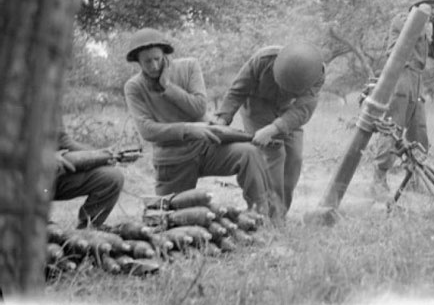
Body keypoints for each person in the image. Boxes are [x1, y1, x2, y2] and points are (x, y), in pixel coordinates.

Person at [123, 28, 275, 217]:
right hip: (172, 159)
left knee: (249, 153)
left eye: (157, 59)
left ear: (165, 55)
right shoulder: (134, 87)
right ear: (138, 62)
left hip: (207, 149)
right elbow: (147, 131)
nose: (154, 66)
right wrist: (189, 129)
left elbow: (198, 108)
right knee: (170, 217)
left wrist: (168, 87)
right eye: (147, 62)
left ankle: (260, 216)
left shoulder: (189, 67)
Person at [212, 43, 325, 217]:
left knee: (294, 158)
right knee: (272, 157)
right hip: (258, 107)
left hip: (288, 112)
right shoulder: (262, 60)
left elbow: (303, 109)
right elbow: (237, 91)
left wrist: (274, 128)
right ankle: (268, 218)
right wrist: (222, 120)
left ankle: (280, 212)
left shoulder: (315, 73)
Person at [370, 0, 434, 196]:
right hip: (400, 75)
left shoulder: (424, 33)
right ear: (418, 7)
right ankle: (378, 180)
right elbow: (411, 31)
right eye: (431, 8)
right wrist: (423, 14)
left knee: (419, 132)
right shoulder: (403, 20)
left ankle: (413, 179)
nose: (433, 13)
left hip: (416, 80)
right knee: (391, 127)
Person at [52, 122, 124, 229]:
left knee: (111, 177)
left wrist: (96, 154)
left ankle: (87, 231)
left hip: (52, 177)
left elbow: (62, 139)